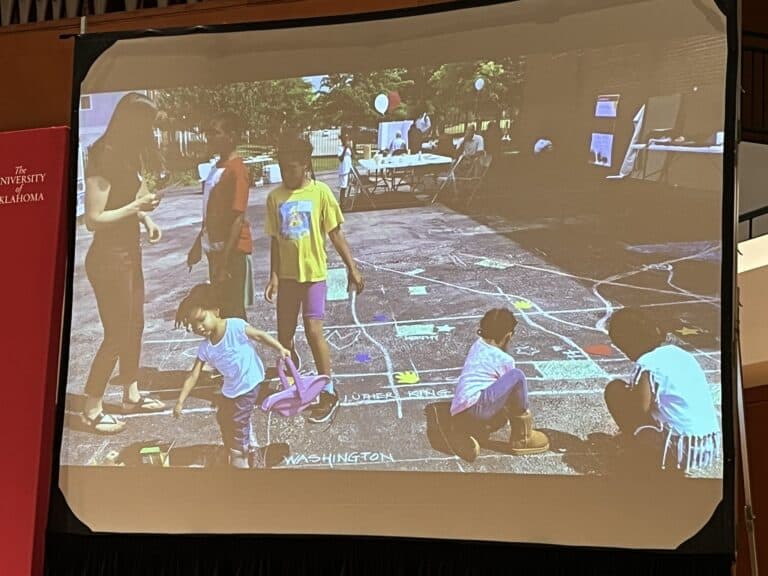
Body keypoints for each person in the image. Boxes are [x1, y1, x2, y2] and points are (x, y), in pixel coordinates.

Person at [79, 92, 166, 434]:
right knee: (116, 332)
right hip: (108, 259)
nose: (150, 133)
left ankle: (130, 393)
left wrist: (147, 219)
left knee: (135, 325)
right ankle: (91, 407)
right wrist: (135, 210)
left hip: (130, 253)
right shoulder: (102, 154)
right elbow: (93, 219)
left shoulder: (129, 156)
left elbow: (135, 194)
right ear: (131, 122)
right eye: (146, 125)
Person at [264, 130, 365, 424]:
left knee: (313, 330)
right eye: (282, 167)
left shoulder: (321, 193)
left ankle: (329, 391)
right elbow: (275, 240)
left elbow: (335, 234)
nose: (286, 173)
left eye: (291, 167)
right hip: (287, 278)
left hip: (313, 277)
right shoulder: (275, 197)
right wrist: (273, 276)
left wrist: (352, 267)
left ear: (306, 164)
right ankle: (295, 373)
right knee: (284, 337)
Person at [173, 283, 291, 468]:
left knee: (238, 419)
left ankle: (241, 454)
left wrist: (280, 348)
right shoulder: (205, 347)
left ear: (216, 311)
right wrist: (180, 400)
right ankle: (235, 445)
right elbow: (193, 374)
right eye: (193, 326)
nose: (199, 327)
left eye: (202, 319)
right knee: (223, 416)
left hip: (249, 382)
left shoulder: (234, 326)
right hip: (232, 387)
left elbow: (259, 335)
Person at [604, 307, 720, 475]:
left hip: (681, 451)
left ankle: (639, 451)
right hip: (707, 445)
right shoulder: (679, 353)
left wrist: (630, 427)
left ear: (626, 343)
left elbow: (639, 411)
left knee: (615, 391)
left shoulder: (647, 364)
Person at [448, 308, 549, 462]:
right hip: (477, 408)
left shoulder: (477, 345)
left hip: (459, 410)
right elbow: (514, 396)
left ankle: (466, 431)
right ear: (508, 335)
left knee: (500, 416)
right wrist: (522, 409)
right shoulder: (504, 359)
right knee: (517, 376)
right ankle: (523, 437)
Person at [199, 111, 254, 321]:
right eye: (208, 134)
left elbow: (237, 218)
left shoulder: (236, 171)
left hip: (231, 252)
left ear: (231, 136)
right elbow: (210, 210)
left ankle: (242, 353)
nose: (209, 138)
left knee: (233, 313)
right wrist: (199, 242)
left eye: (215, 133)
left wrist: (225, 260)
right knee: (222, 308)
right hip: (216, 250)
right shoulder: (216, 168)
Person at [337, 129, 354, 209]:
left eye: (347, 139)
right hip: (343, 170)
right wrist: (344, 149)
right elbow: (340, 158)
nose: (346, 141)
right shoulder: (340, 148)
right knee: (343, 187)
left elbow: (353, 156)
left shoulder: (349, 148)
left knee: (346, 186)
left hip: (348, 169)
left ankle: (343, 202)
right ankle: (342, 203)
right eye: (345, 140)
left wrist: (350, 148)